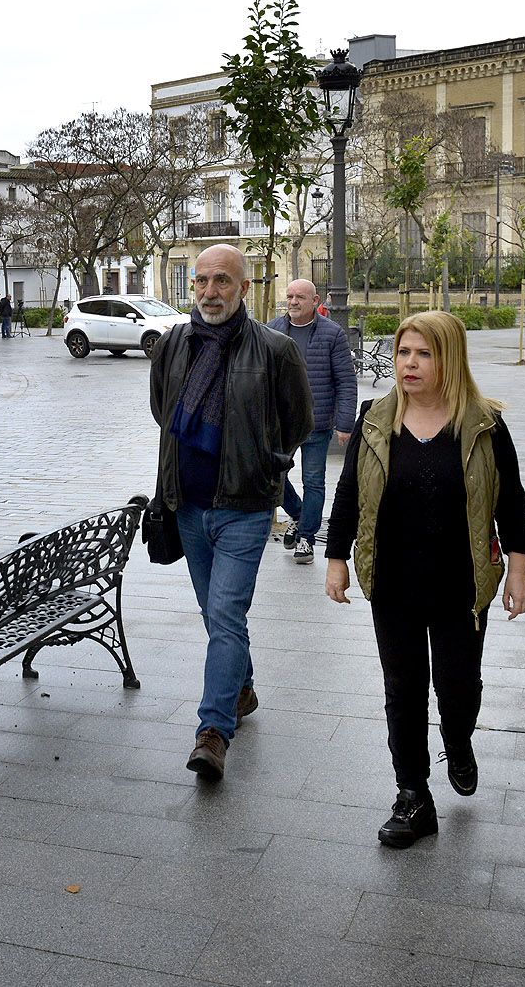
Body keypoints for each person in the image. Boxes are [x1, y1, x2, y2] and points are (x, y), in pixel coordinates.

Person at [324, 311, 525, 848]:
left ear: (450, 360)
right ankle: (413, 796)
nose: (409, 364)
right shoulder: (375, 418)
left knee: (458, 690)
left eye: (423, 354)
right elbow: (350, 493)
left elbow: (512, 502)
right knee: (404, 692)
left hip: (461, 585)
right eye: (402, 353)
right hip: (393, 581)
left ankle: (458, 739)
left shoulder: (484, 422)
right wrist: (336, 558)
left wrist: (519, 572)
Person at [150, 244, 312, 781]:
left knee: (224, 615)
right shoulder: (174, 345)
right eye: (202, 281)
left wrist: (266, 466)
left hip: (243, 507)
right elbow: (162, 411)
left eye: (223, 281)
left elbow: (297, 423)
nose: (210, 292)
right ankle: (240, 688)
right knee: (217, 616)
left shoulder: (275, 350)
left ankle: (213, 731)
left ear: (245, 288)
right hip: (188, 507)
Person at [268, 278, 358, 564]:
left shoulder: (333, 334)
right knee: (273, 477)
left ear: (315, 301)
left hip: (318, 424)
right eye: (290, 296)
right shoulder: (272, 329)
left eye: (300, 297)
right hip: (282, 425)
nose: (293, 302)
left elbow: (345, 380)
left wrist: (345, 424)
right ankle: (299, 515)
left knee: (313, 481)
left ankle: (306, 537)